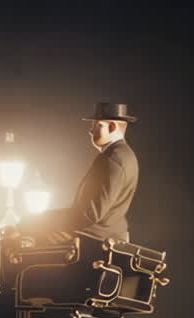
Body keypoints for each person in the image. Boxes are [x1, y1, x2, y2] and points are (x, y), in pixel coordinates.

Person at [23, 102, 140, 244]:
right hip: (106, 231)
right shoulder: (125, 155)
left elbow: (91, 214)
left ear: (112, 127)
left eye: (97, 125)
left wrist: (45, 218)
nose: (90, 131)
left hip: (94, 236)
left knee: (23, 234)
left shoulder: (113, 159)